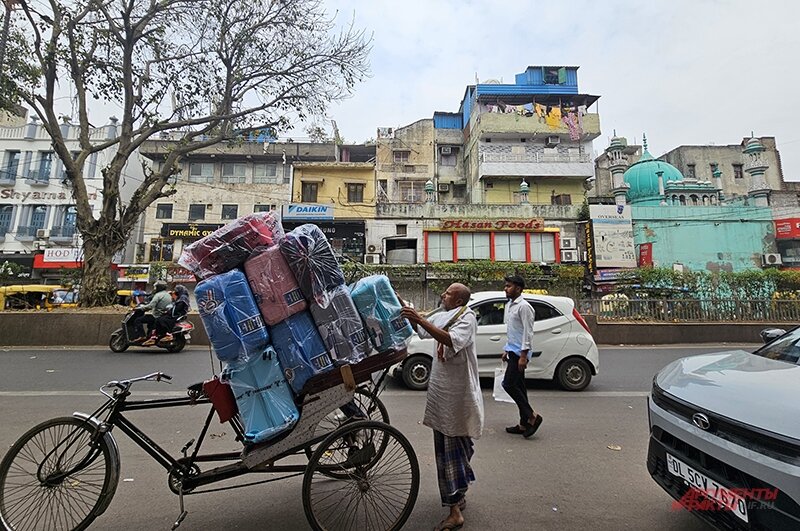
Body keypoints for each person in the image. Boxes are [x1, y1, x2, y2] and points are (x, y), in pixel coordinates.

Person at [401, 283, 483, 531]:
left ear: (458, 301)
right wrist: (404, 307)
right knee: (454, 448)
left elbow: (450, 339)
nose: (443, 295)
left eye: (447, 293)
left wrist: (420, 320)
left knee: (450, 453)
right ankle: (459, 492)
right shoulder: (444, 313)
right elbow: (424, 330)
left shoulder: (466, 318)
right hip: (442, 394)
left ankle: (455, 510)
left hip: (457, 395)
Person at [501, 275, 543, 438]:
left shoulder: (524, 307)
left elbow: (527, 332)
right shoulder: (511, 305)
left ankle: (532, 416)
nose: (506, 289)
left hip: (520, 352)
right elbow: (513, 331)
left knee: (509, 384)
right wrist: (507, 349)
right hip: (513, 350)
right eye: (505, 286)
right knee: (520, 387)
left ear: (518, 289)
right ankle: (523, 423)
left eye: (509, 286)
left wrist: (523, 355)